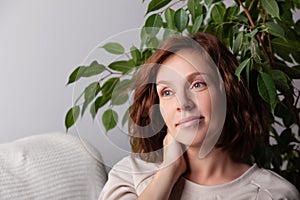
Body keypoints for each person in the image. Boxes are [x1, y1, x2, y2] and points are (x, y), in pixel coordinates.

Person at [99, 32, 300, 200]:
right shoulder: (130, 175)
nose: (183, 103)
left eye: (197, 84)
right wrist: (168, 171)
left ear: (228, 93)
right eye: (167, 92)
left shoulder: (274, 193)